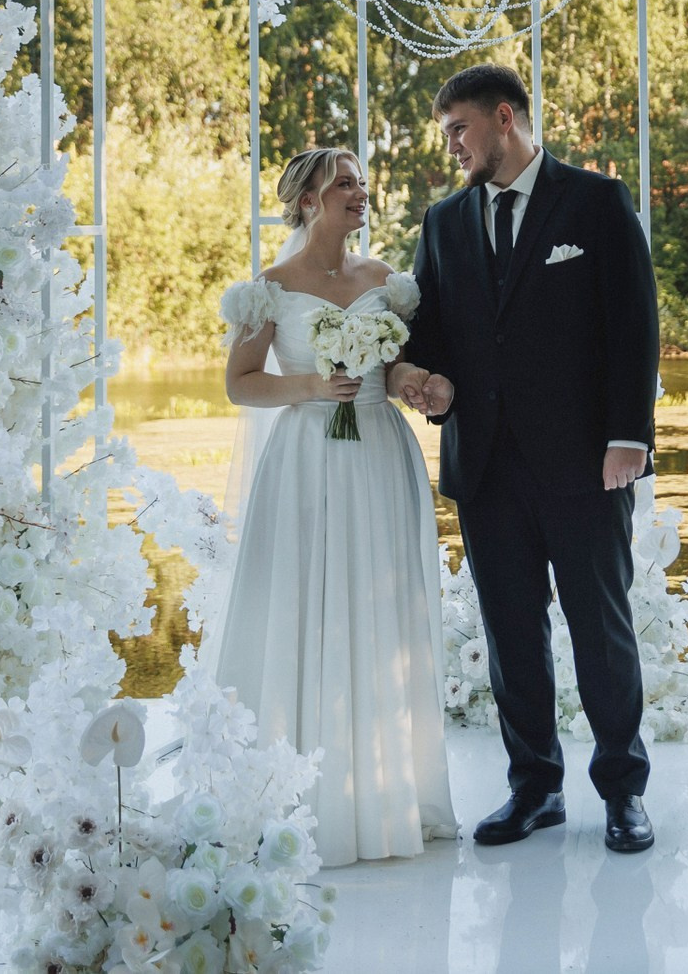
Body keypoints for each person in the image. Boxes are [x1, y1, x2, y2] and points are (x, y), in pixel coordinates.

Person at [386, 65, 659, 856]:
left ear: (505, 118)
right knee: (511, 633)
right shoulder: (442, 223)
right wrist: (422, 380)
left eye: (460, 130)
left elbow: (633, 324)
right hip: (488, 468)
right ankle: (534, 787)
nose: (454, 147)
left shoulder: (596, 202)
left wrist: (627, 438)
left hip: (585, 464)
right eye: (448, 136)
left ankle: (622, 791)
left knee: (600, 629)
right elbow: (428, 334)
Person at [211, 146, 458, 867]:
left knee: (381, 612)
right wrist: (312, 389)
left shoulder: (386, 281)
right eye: (345, 182)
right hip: (308, 461)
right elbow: (241, 383)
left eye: (361, 181)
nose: (360, 192)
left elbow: (393, 365)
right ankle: (303, 793)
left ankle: (384, 790)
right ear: (310, 198)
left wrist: (419, 382)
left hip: (381, 454)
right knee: (309, 606)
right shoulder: (269, 288)